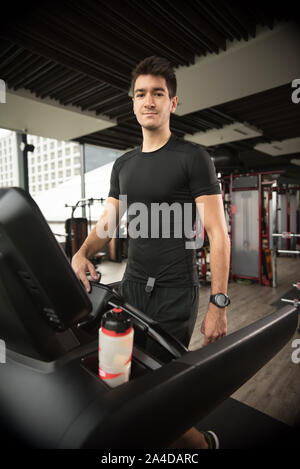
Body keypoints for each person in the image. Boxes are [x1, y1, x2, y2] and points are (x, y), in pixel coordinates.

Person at [72, 56, 230, 449]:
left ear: (172, 103)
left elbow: (218, 234)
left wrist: (219, 304)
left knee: (154, 393)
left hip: (176, 293)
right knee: (117, 379)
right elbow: (107, 223)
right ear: (133, 103)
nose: (148, 101)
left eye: (158, 93)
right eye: (141, 94)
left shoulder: (193, 158)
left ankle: (203, 446)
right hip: (130, 289)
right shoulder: (123, 165)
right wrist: (81, 253)